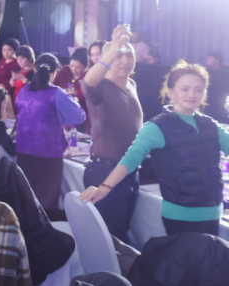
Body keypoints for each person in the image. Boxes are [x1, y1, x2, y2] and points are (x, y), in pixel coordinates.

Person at [81, 62, 229, 237]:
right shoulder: (158, 126)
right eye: (184, 89)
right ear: (171, 92)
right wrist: (104, 187)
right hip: (181, 214)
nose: (191, 94)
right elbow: (131, 159)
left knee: (210, 255)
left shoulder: (210, 124)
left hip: (213, 212)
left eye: (198, 90)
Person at [79, 25, 143, 243]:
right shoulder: (100, 86)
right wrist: (114, 47)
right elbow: (87, 83)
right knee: (108, 239)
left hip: (129, 172)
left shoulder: (132, 84)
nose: (124, 60)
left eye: (129, 55)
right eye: (118, 55)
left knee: (120, 233)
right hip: (104, 171)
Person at [15, 53, 85, 217]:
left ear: (35, 70)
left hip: (23, 149)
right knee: (46, 199)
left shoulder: (23, 90)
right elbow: (79, 116)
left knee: (26, 194)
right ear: (54, 72)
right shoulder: (56, 93)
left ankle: (25, 228)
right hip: (48, 151)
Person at [54, 47, 91, 133]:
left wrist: (73, 94)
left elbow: (83, 95)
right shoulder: (64, 70)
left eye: (78, 67)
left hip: (81, 115)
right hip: (62, 114)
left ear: (85, 67)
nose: (74, 70)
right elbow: (54, 87)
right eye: (72, 66)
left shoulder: (88, 75)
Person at [204, 52, 229, 124]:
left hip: (221, 102)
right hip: (207, 102)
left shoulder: (226, 72)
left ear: (217, 61)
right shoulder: (205, 71)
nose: (207, 60)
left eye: (209, 58)